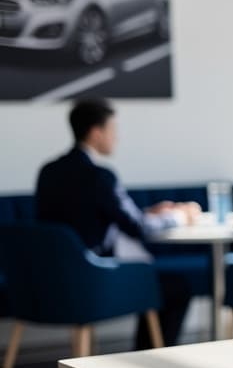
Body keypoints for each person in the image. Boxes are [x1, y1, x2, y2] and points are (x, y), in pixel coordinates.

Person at [35, 99, 198, 349]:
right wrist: (179, 217)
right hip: (93, 282)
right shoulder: (100, 176)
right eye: (113, 131)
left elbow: (89, 216)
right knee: (176, 287)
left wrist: (148, 212)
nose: (117, 138)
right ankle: (147, 361)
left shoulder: (48, 172)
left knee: (163, 283)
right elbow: (139, 228)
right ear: (96, 132)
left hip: (44, 282)